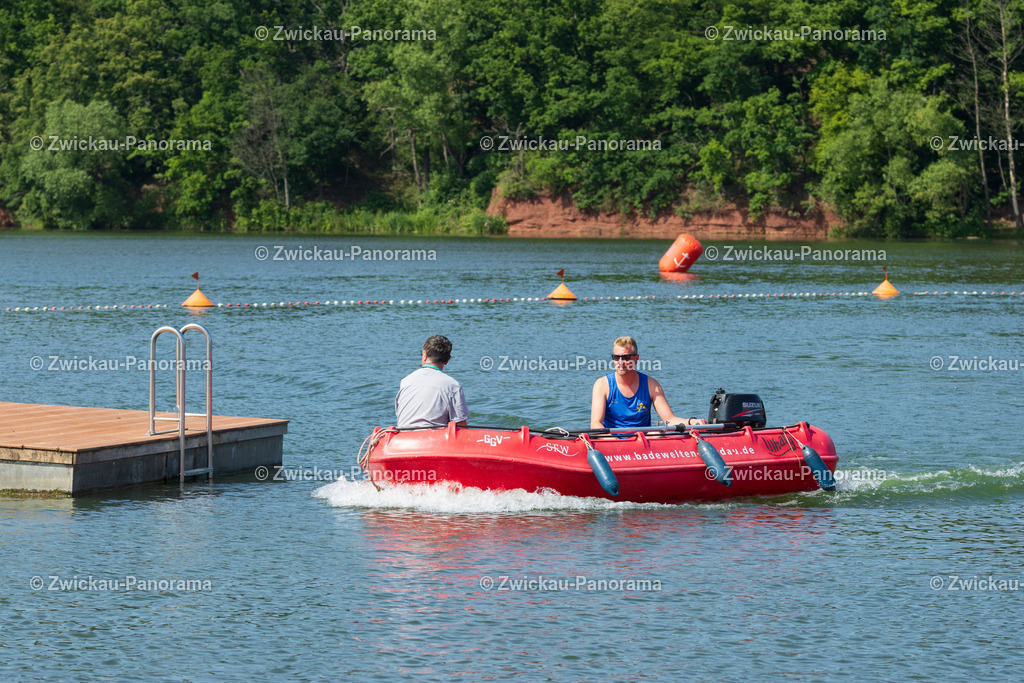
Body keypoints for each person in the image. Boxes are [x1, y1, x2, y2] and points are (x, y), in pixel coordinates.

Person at [590, 336, 707, 429]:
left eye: (625, 358)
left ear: (636, 358)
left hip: (642, 442)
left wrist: (692, 421)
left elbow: (670, 419)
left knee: (658, 433)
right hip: (612, 442)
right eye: (616, 357)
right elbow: (595, 424)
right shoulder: (602, 385)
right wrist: (614, 441)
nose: (620, 362)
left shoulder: (652, 385)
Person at [395, 335, 470, 429]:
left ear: (424, 355)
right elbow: (461, 427)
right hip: (433, 441)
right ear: (447, 360)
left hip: (402, 440)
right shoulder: (453, 386)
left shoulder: (405, 381)